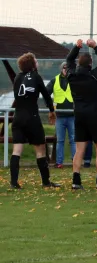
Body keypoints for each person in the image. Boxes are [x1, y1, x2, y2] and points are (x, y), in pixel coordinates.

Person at [66, 39, 97, 190]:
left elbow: (68, 60)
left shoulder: (71, 76)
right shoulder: (94, 76)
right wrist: (95, 46)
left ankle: (76, 180)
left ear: (79, 63)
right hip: (95, 115)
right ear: (91, 64)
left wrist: (76, 48)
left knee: (79, 149)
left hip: (79, 115)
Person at [9, 52, 59, 189]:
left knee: (16, 151)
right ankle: (46, 182)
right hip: (32, 117)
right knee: (40, 150)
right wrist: (51, 110)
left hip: (18, 117)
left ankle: (14, 182)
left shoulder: (17, 78)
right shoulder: (36, 77)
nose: (37, 62)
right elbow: (46, 96)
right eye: (36, 60)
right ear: (32, 64)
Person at [46, 62, 75, 168]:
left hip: (72, 115)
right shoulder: (54, 80)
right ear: (61, 69)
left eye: (68, 68)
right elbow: (46, 93)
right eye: (64, 68)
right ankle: (59, 162)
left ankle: (74, 161)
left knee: (73, 139)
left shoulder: (74, 80)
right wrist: (50, 108)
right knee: (60, 140)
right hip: (59, 116)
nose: (66, 70)